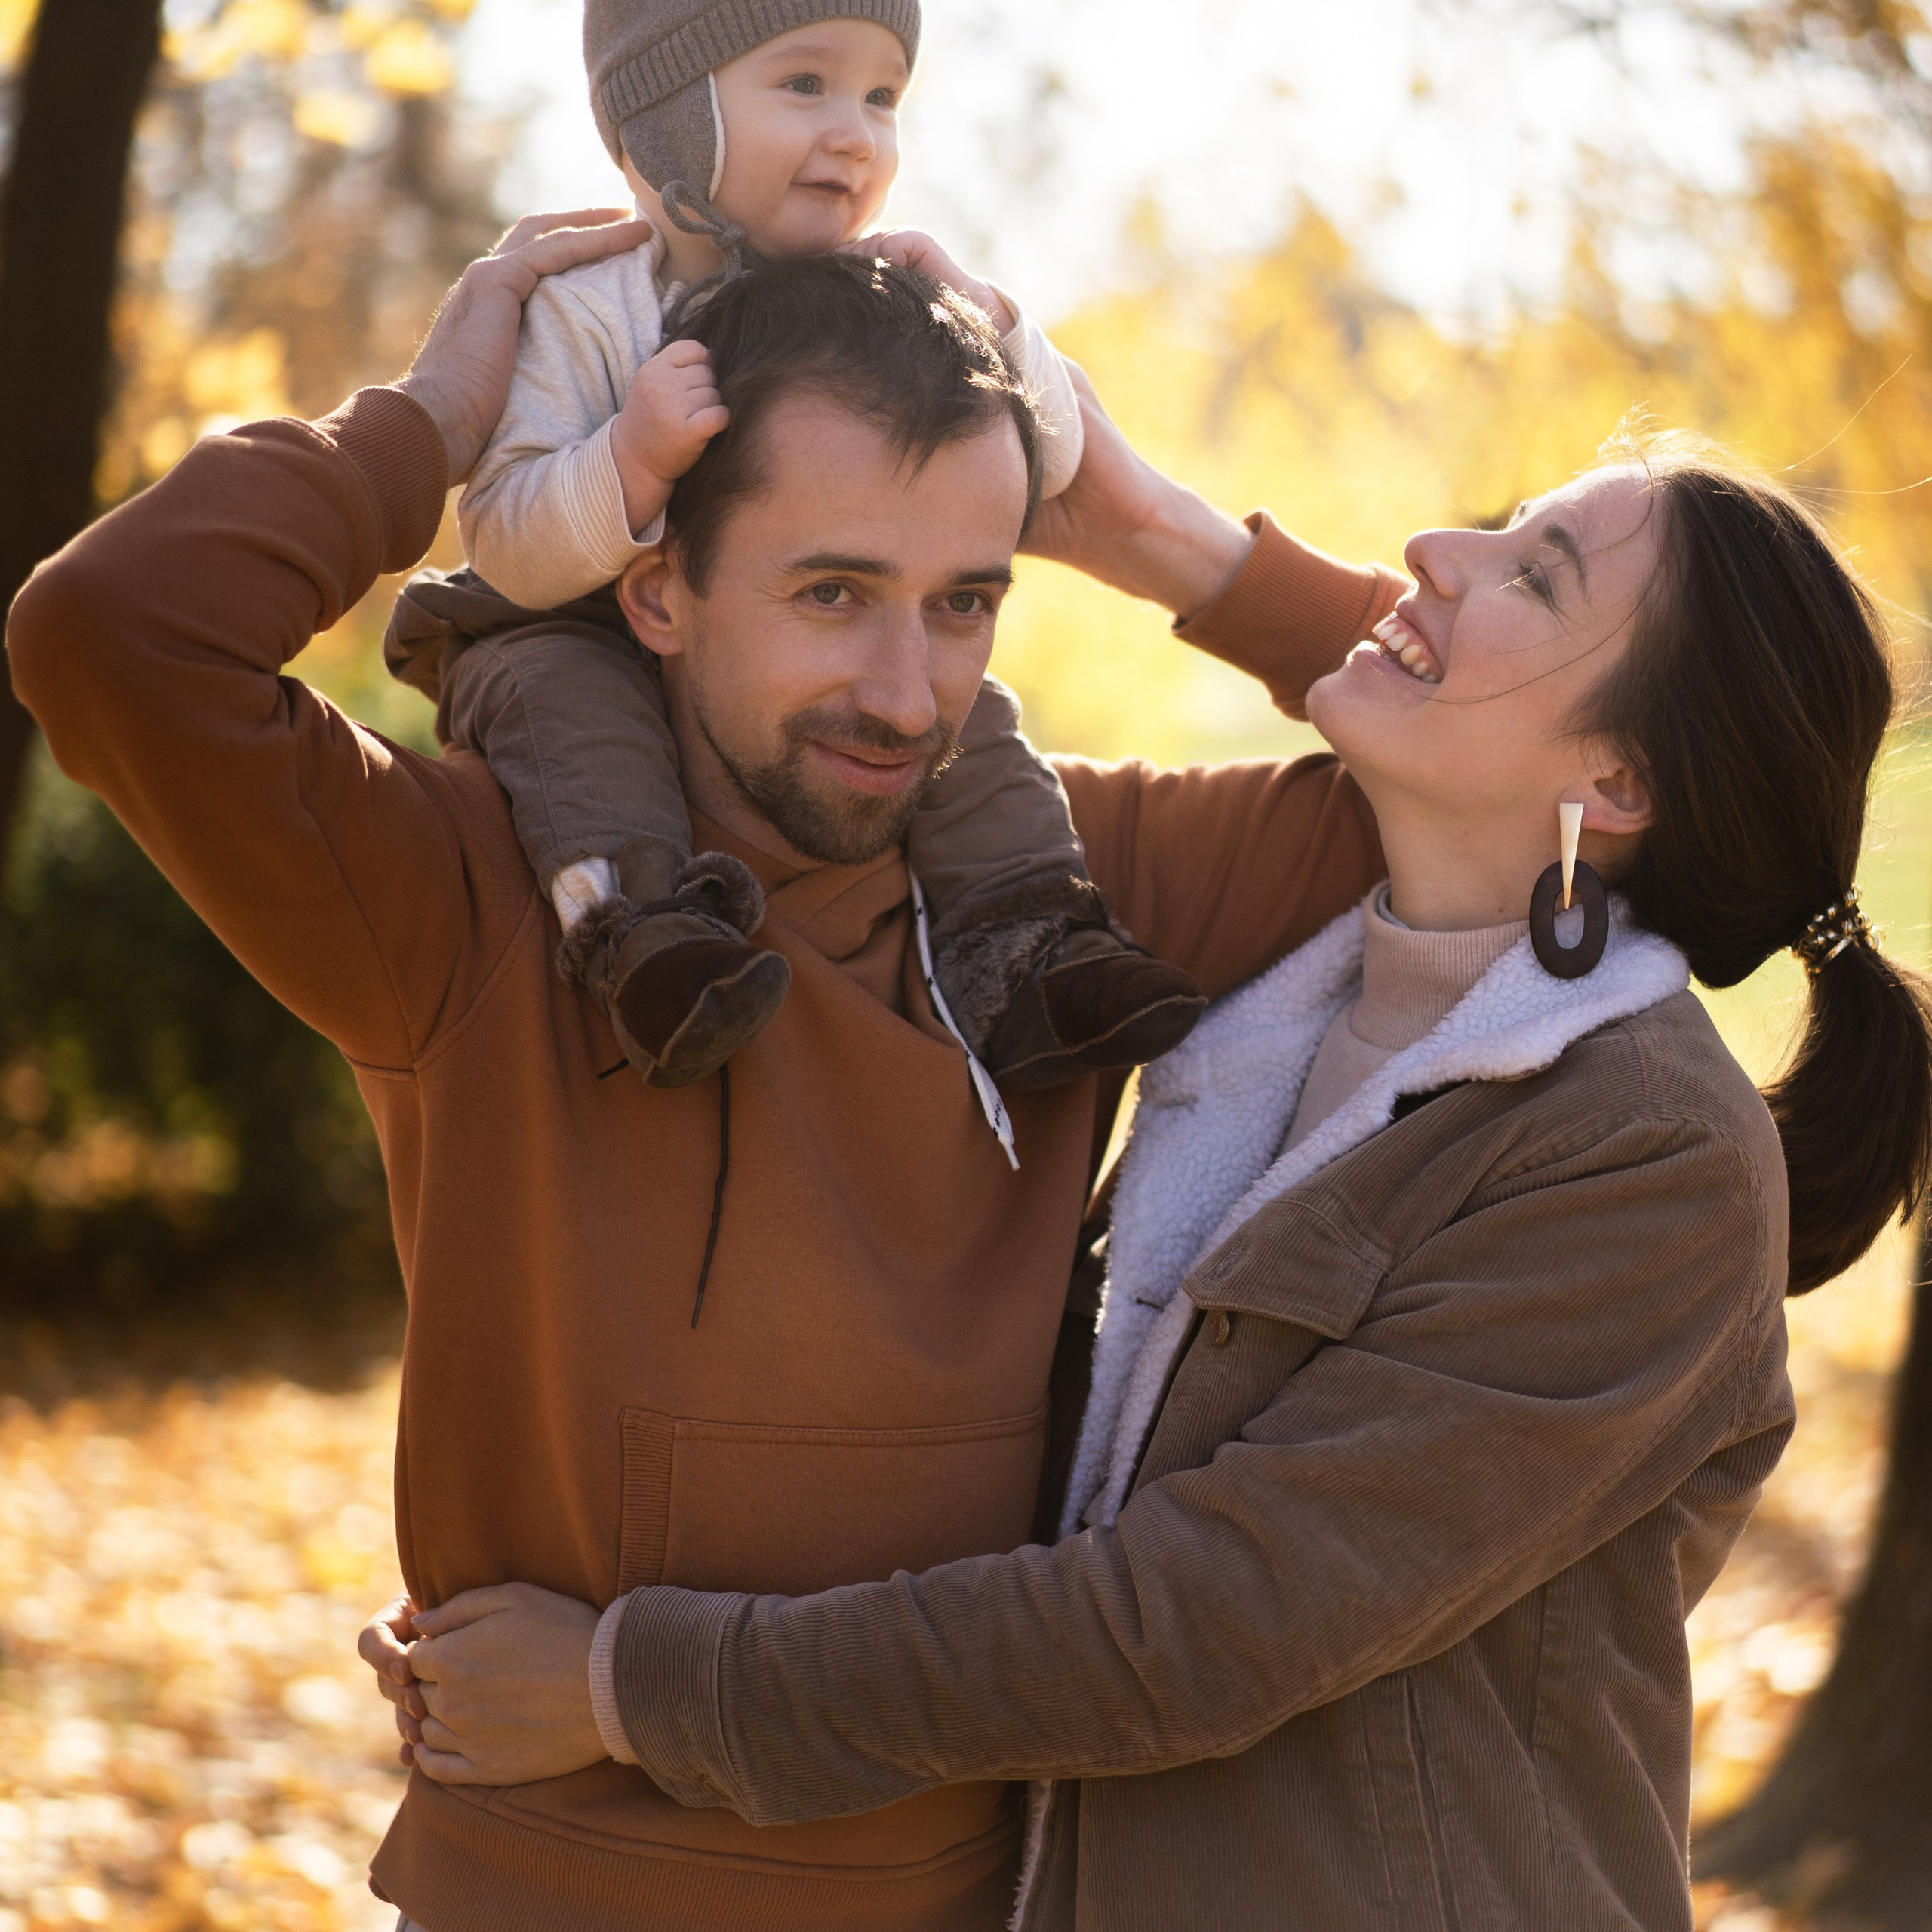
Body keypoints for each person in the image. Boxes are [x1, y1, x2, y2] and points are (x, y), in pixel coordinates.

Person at [5, 217, 1401, 1932]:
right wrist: (439, 432)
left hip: (984, 1888)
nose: (907, 694)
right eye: (832, 593)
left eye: (963, 600)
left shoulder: (1059, 901)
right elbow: (104, 635)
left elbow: (1538, 770)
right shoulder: (468, 891)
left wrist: (1154, 532)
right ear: (655, 583)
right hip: (550, 1885)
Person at [359, 420, 1932, 1927]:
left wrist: (627, 1684)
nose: (1429, 551)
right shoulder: (1253, 1006)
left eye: (1531, 574)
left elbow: (1194, 1620)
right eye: (1498, 525)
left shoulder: (1641, 1152)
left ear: (1613, 788)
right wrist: (1145, 530)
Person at [386, 0, 1208, 1096]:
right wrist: (628, 461)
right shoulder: (588, 310)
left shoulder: (888, 301)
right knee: (571, 727)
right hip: (567, 622)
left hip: (779, 653)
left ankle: (1031, 948)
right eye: (806, 86)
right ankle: (644, 937)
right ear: (663, 121)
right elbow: (510, 540)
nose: (858, 133)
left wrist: (994, 322)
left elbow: (1047, 460)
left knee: (973, 733)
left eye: (883, 97)